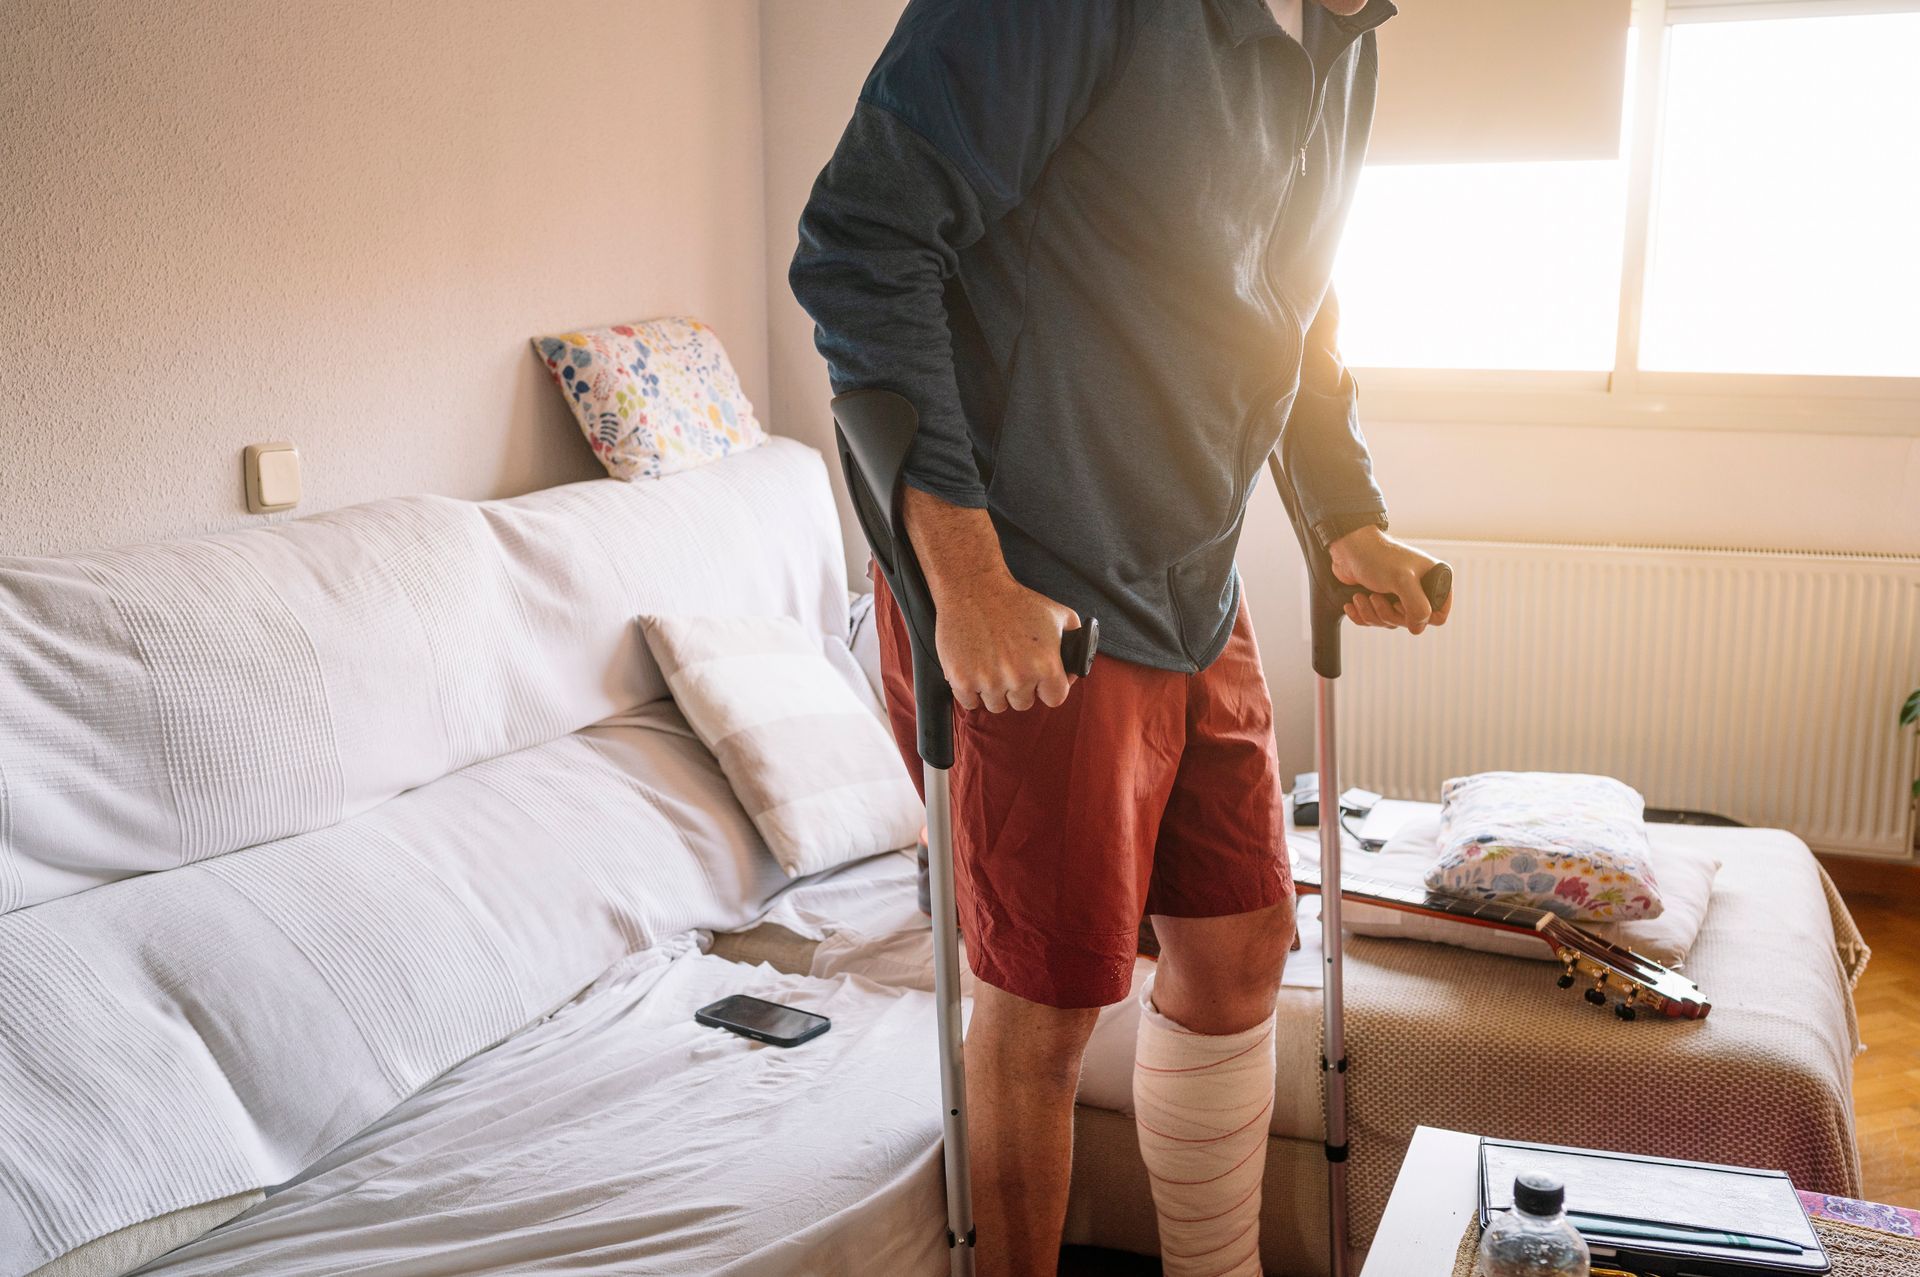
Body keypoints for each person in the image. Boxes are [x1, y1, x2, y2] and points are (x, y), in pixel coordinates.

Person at [791, 2, 1449, 1273]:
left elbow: (1294, 304)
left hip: (1194, 580)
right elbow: (860, 240)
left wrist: (1346, 515)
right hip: (1037, 586)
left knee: (1243, 942)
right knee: (1044, 1009)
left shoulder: (1345, 37)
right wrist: (967, 575)